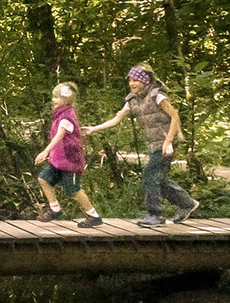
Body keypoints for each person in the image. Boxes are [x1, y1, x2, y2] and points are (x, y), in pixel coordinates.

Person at [83, 64, 199, 227]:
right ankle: (187, 203)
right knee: (160, 179)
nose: (132, 83)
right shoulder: (132, 99)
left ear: (145, 81)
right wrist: (93, 129)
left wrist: (168, 141)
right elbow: (117, 119)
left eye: (136, 80)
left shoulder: (157, 96)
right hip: (154, 145)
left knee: (150, 175)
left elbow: (175, 116)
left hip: (166, 143)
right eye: (130, 80)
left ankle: (156, 214)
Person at [33, 82, 102, 227]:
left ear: (65, 101)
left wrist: (45, 151)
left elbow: (59, 136)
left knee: (73, 188)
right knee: (43, 179)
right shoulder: (60, 115)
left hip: (70, 161)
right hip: (58, 160)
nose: (53, 100)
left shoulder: (66, 117)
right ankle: (55, 209)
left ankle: (93, 216)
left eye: (56, 98)